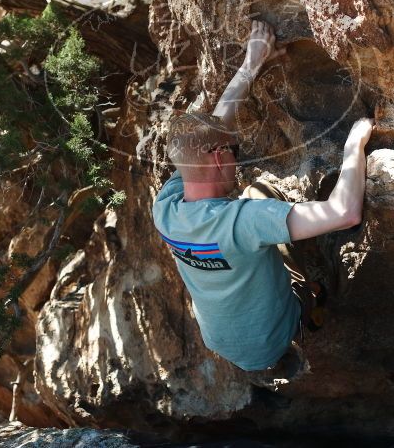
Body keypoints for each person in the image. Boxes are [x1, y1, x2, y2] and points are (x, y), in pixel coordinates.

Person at [152, 20, 374, 373]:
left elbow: (214, 128)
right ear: (219, 157)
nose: (236, 156)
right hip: (273, 339)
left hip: (221, 339)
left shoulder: (166, 204)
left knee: (258, 208)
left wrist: (251, 63)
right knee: (264, 196)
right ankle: (311, 303)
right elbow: (345, 212)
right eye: (234, 149)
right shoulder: (244, 222)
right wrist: (354, 146)